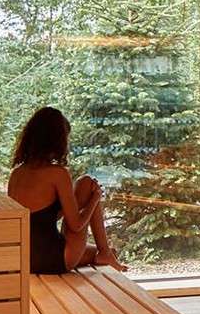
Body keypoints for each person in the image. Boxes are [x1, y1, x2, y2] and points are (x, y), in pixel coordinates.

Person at [7, 106, 127, 274]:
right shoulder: (57, 173)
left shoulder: (17, 173)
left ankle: (106, 254)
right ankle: (105, 252)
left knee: (96, 253)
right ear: (57, 140)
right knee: (85, 183)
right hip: (53, 259)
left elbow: (38, 219)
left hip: (25, 259)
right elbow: (76, 226)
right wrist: (95, 198)